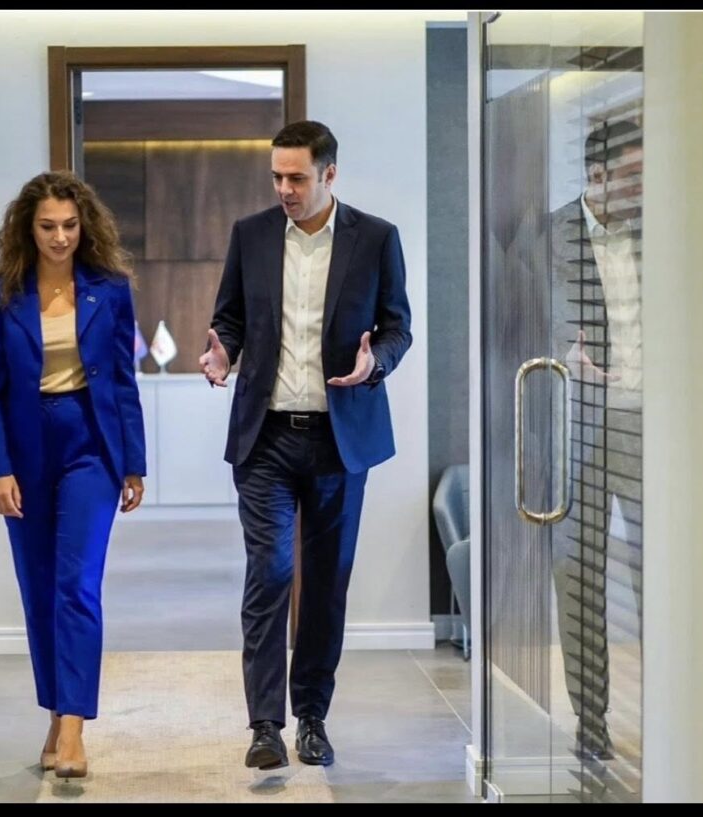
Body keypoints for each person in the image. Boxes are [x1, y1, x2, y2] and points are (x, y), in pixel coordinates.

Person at [199, 120, 412, 769]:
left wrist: (375, 364)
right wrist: (223, 351)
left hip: (338, 440)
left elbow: (398, 327)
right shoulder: (252, 234)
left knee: (325, 584)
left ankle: (312, 718)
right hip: (265, 435)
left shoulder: (376, 238)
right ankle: (265, 724)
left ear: (329, 174)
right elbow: (230, 316)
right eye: (277, 177)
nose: (285, 189)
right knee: (269, 572)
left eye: (296, 177)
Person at [0, 170, 147, 779]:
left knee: (77, 584)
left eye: (70, 225)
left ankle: (73, 727)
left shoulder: (110, 290)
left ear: (84, 226)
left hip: (90, 446)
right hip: (26, 451)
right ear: (28, 228)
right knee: (39, 587)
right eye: (48, 226)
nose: (60, 237)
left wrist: (134, 462)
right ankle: (55, 710)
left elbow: (122, 380)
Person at [550, 118, 643, 763]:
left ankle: (676, 713)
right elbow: (513, 321)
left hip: (650, 427)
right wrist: (562, 353)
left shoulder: (663, 234)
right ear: (597, 175)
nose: (643, 189)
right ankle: (591, 722)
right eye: (632, 177)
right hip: (578, 428)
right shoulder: (547, 236)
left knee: (659, 572)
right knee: (579, 575)